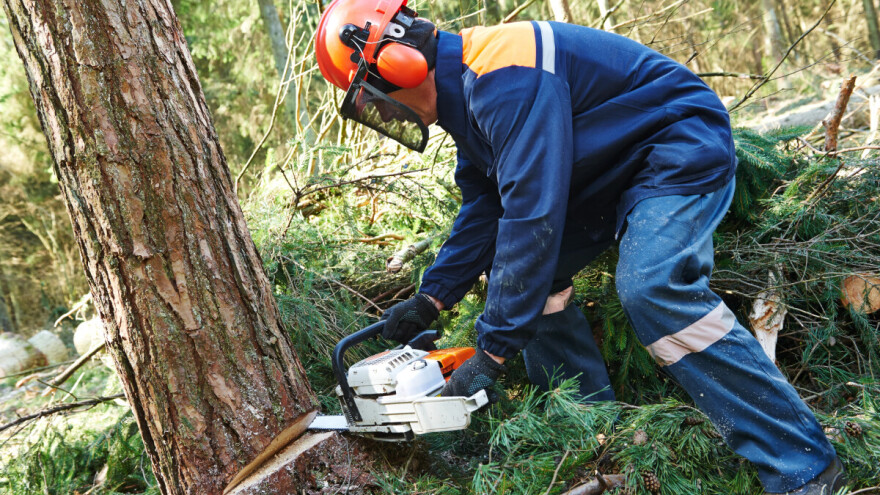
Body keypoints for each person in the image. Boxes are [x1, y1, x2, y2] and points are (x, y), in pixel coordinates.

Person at [314, 1, 845, 493]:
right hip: (601, 175)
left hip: (675, 147)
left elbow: (531, 215)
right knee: (533, 279)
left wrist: (492, 352)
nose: (378, 110)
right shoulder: (467, 95)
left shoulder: (504, 78)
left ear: (398, 64)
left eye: (370, 93)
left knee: (651, 287)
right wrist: (431, 298)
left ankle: (802, 461)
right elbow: (486, 208)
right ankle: (593, 432)